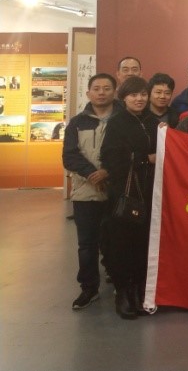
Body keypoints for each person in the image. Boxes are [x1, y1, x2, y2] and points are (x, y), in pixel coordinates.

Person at [99, 76, 160, 319]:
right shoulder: (117, 122)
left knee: (144, 245)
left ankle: (139, 292)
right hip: (124, 193)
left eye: (143, 94)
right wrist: (145, 159)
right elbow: (110, 159)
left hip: (151, 192)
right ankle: (123, 294)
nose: (139, 99)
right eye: (133, 94)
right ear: (123, 97)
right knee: (123, 245)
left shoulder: (154, 122)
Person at [62, 73, 120, 311]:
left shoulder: (123, 120)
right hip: (86, 192)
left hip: (116, 191)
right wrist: (92, 173)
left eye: (107, 88)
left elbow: (128, 151)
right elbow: (69, 156)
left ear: (114, 92)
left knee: (116, 241)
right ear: (88, 93)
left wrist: (107, 172)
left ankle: (120, 283)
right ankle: (88, 288)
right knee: (87, 244)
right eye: (96, 88)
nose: (101, 92)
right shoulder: (77, 122)